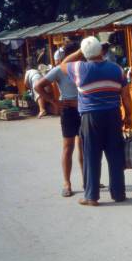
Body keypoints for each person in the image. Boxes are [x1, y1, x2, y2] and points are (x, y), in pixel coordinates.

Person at [60, 36, 132, 206]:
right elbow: (126, 95)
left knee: (91, 156)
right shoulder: (117, 69)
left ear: (84, 53)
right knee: (115, 156)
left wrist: (79, 52)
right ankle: (118, 193)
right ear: (101, 51)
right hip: (113, 115)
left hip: (90, 117)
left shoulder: (79, 68)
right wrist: (128, 115)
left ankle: (91, 196)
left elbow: (62, 64)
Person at [35, 41, 87, 197]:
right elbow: (38, 86)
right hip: (69, 112)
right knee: (68, 147)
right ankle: (67, 183)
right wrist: (54, 102)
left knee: (84, 147)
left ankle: (87, 180)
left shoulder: (84, 69)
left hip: (84, 110)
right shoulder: (59, 70)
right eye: (80, 55)